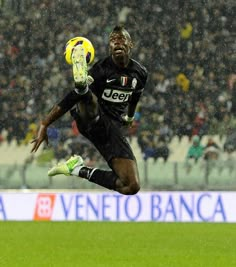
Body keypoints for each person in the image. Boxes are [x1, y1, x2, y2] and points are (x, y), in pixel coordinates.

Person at [31, 25, 148, 195]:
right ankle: (82, 85)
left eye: (121, 39)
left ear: (131, 44)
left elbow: (135, 97)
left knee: (131, 186)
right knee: (86, 97)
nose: (117, 43)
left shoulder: (140, 73)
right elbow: (71, 97)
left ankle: (77, 169)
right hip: (90, 119)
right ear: (109, 47)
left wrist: (130, 117)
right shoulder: (101, 69)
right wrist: (45, 123)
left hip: (112, 130)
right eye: (113, 41)